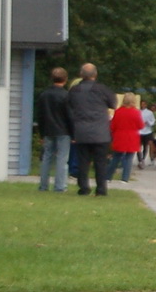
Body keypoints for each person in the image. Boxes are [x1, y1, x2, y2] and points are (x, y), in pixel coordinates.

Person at [69, 64, 118, 196]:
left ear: (81, 75)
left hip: (81, 131)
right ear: (95, 75)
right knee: (100, 162)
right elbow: (113, 104)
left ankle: (84, 188)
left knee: (83, 161)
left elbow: (70, 106)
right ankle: (101, 189)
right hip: (100, 132)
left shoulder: (74, 90)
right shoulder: (102, 89)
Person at [36, 67, 73, 192]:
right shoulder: (66, 95)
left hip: (47, 130)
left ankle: (43, 185)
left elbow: (40, 115)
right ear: (65, 79)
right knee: (62, 159)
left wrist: (41, 133)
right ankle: (60, 186)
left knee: (46, 158)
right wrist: (73, 133)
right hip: (63, 131)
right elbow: (70, 116)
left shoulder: (44, 95)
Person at [109, 92, 143, 184]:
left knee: (115, 157)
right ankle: (124, 178)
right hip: (132, 136)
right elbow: (140, 125)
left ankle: (108, 176)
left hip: (119, 136)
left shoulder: (118, 112)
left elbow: (112, 126)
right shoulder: (136, 112)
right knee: (129, 158)